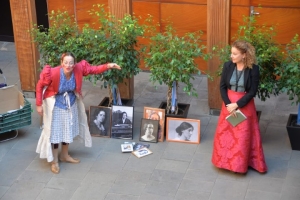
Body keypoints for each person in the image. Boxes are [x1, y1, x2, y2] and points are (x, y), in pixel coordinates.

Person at [35, 52, 121, 174]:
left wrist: (108, 65)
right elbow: (39, 86)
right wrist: (39, 104)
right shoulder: (53, 73)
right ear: (61, 63)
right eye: (65, 62)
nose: (68, 65)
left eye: (71, 63)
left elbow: (93, 69)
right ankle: (54, 160)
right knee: (55, 133)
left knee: (68, 130)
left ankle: (64, 155)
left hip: (71, 103)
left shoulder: (78, 69)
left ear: (74, 64)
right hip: (56, 105)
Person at [211, 40, 267, 174]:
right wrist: (228, 104)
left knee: (242, 136)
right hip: (228, 104)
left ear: (244, 55)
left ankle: (239, 166)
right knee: (226, 135)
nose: (231, 56)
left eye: (235, 54)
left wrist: (237, 105)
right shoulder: (228, 66)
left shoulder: (254, 69)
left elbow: (252, 92)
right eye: (231, 53)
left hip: (244, 105)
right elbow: (222, 87)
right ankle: (223, 162)